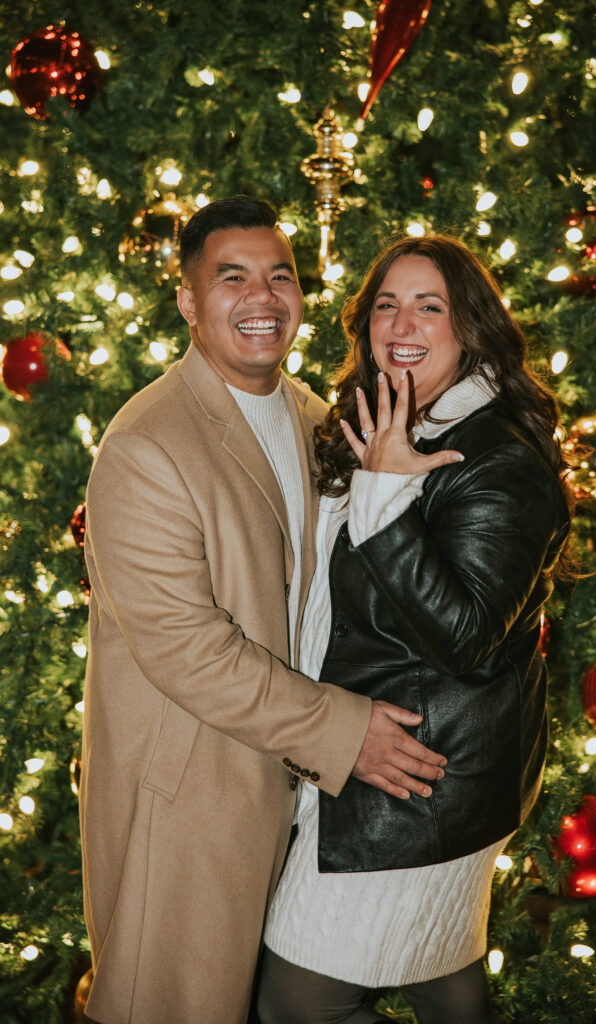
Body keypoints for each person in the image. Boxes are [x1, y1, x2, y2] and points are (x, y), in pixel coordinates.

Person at [78, 197, 447, 1024]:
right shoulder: (146, 444)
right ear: (186, 301)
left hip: (288, 794)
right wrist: (344, 731)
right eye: (232, 277)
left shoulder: (312, 414)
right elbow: (186, 648)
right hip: (189, 801)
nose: (262, 298)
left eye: (279, 277)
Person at [258, 234, 573, 1024]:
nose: (402, 323)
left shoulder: (497, 458)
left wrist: (389, 492)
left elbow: (463, 635)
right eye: (386, 305)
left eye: (429, 306)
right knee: (442, 977)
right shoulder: (382, 421)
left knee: (293, 1007)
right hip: (410, 772)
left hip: (416, 784)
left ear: (468, 328)